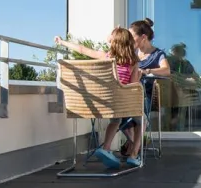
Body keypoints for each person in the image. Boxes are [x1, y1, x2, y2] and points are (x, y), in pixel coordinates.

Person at [54, 28, 142, 168]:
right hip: (120, 103)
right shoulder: (132, 62)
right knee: (140, 120)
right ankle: (133, 155)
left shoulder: (105, 57)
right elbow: (133, 85)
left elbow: (83, 50)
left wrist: (62, 42)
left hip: (99, 102)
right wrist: (140, 75)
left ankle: (106, 148)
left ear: (114, 43)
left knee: (115, 120)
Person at [122, 18, 171, 153]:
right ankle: (135, 145)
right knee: (117, 115)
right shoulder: (131, 53)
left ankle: (133, 148)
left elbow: (166, 70)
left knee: (135, 115)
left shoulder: (158, 54)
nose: (129, 41)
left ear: (143, 37)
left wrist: (147, 71)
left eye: (132, 37)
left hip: (144, 95)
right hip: (127, 94)